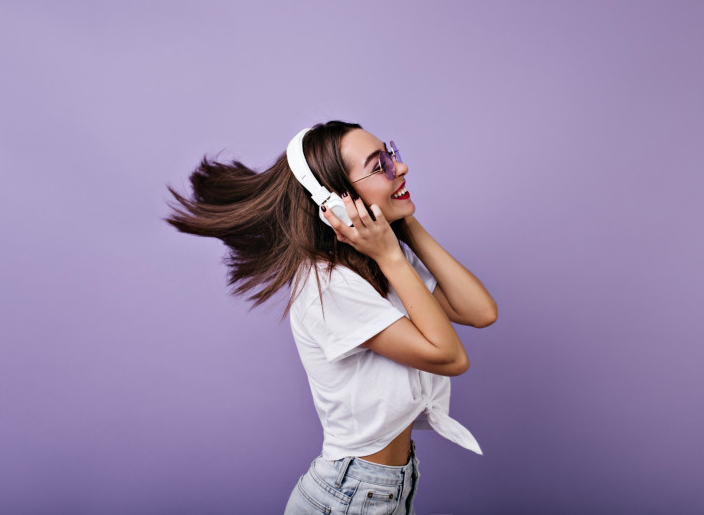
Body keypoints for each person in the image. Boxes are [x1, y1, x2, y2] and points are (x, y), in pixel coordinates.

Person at [166, 121, 497, 514]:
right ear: (335, 202)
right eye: (379, 167)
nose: (400, 168)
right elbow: (450, 357)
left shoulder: (381, 262)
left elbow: (479, 312)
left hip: (381, 489)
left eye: (390, 155)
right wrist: (390, 252)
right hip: (347, 498)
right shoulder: (329, 283)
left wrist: (404, 224)